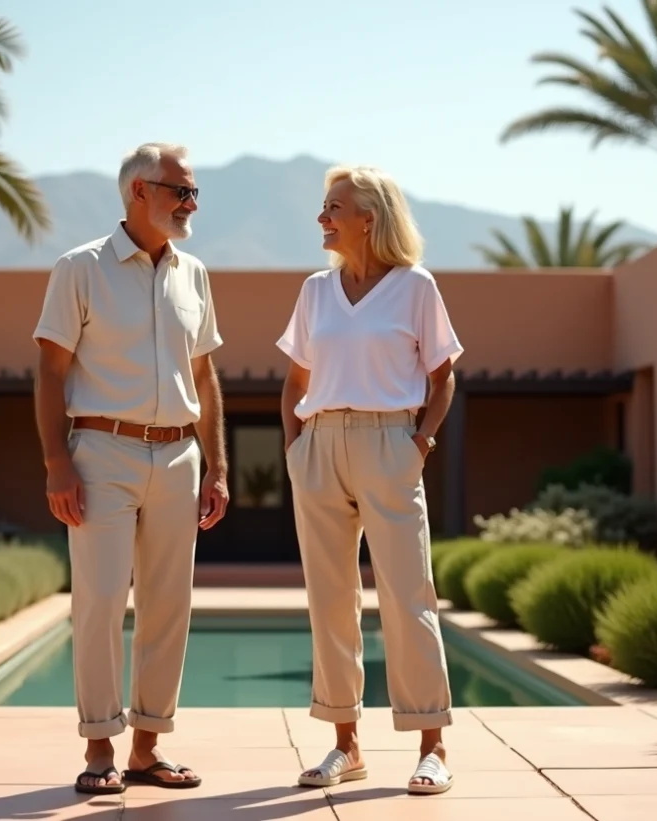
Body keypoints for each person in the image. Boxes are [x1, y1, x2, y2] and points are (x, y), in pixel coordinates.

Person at [32, 142, 229, 795]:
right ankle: (98, 747)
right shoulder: (79, 268)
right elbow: (50, 370)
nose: (191, 203)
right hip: (101, 454)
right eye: (181, 191)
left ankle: (146, 749)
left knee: (170, 604)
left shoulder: (193, 273)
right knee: (99, 601)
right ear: (139, 192)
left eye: (193, 192)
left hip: (179, 453)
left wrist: (219, 464)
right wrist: (57, 461)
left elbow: (204, 374)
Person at [276, 164, 463, 796]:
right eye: (324, 206)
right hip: (320, 445)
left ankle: (432, 744)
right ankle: (345, 746)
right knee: (330, 600)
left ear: (369, 219)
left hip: (392, 443)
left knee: (408, 595)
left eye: (334, 207)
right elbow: (295, 381)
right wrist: (296, 448)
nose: (323, 218)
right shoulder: (315, 291)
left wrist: (420, 442)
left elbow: (443, 377)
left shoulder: (416, 288)